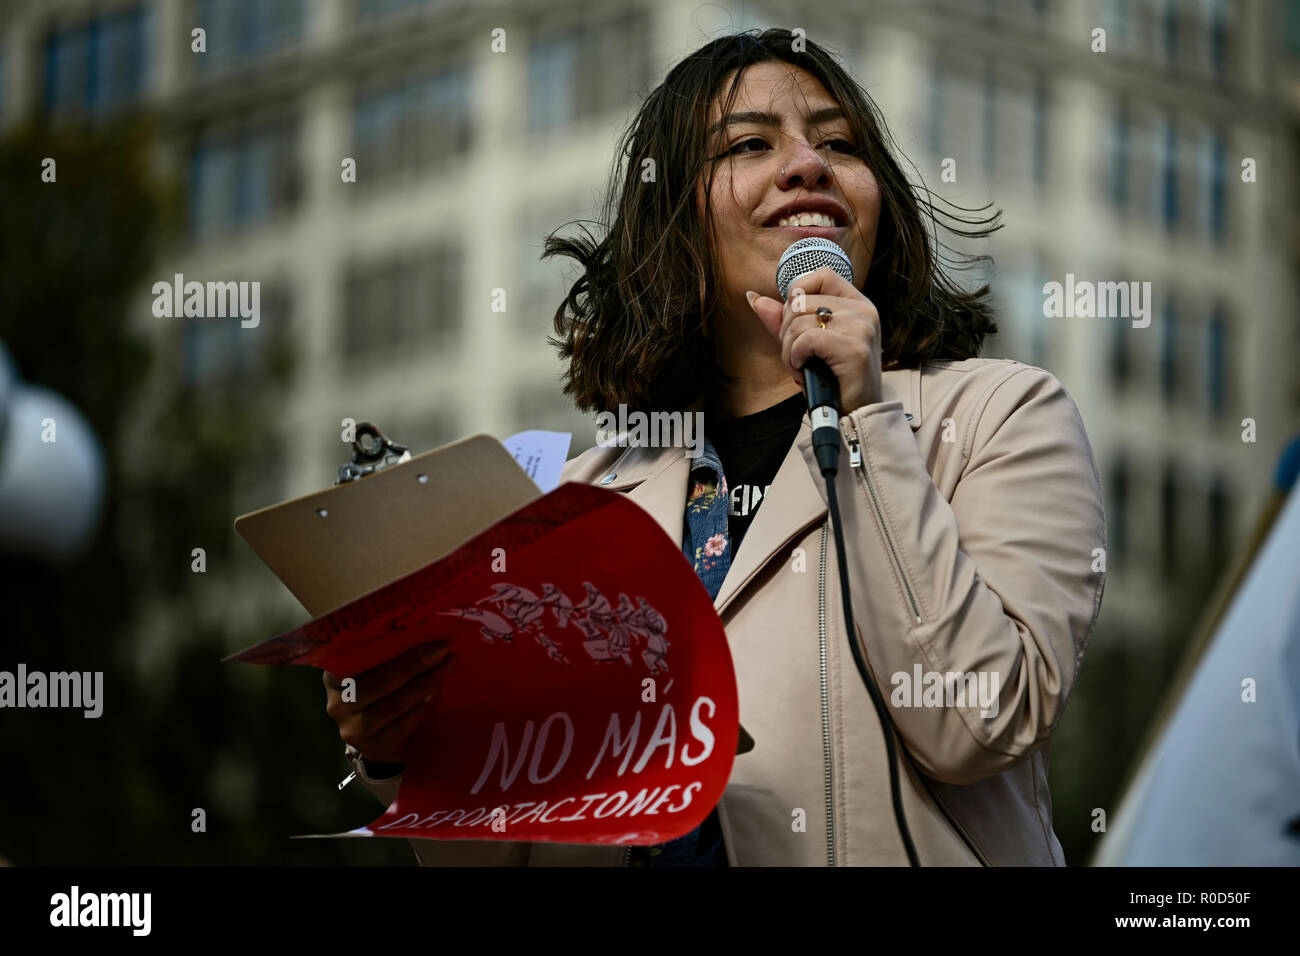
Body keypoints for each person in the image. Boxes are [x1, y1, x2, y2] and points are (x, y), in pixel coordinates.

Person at [323, 28, 1106, 866]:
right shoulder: (571, 509)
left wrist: (867, 417)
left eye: (838, 143)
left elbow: (977, 722)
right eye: (750, 145)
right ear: (674, 219)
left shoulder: (1000, 416)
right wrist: (406, 746)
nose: (808, 165)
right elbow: (507, 853)